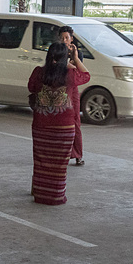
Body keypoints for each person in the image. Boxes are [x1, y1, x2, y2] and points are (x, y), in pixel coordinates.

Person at [28, 42, 90, 205]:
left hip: (41, 126)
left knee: (41, 162)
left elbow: (31, 87)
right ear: (65, 58)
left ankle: (40, 195)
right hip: (64, 128)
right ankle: (55, 196)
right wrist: (76, 59)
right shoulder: (70, 74)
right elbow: (87, 75)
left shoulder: (39, 72)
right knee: (59, 165)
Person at [57, 25, 85, 166]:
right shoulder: (55, 51)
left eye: (66, 38)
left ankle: (78, 154)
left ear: (71, 39)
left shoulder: (76, 54)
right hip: (58, 89)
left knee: (75, 122)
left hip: (72, 90)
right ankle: (61, 153)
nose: (64, 40)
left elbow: (78, 71)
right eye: (62, 38)